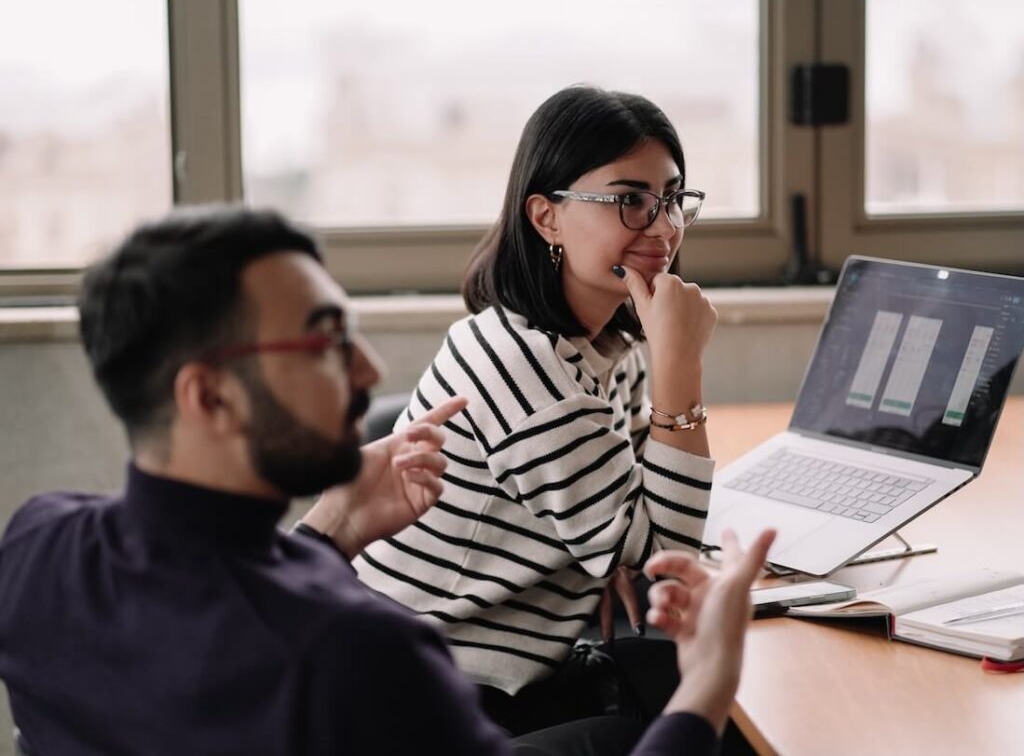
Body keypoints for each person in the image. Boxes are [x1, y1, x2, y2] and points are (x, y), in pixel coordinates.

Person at [0, 205, 773, 756]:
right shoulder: (358, 652)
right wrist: (706, 684)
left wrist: (328, 533)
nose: (369, 373)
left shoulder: (36, 544)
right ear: (208, 396)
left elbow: (202, 643)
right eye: (324, 342)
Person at [354, 84, 718, 734]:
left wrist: (616, 550)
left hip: (479, 678)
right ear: (546, 217)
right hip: (425, 705)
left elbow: (639, 514)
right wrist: (682, 370)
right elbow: (668, 556)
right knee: (711, 731)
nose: (664, 227)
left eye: (671, 198)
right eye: (629, 201)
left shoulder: (609, 341)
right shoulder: (534, 374)